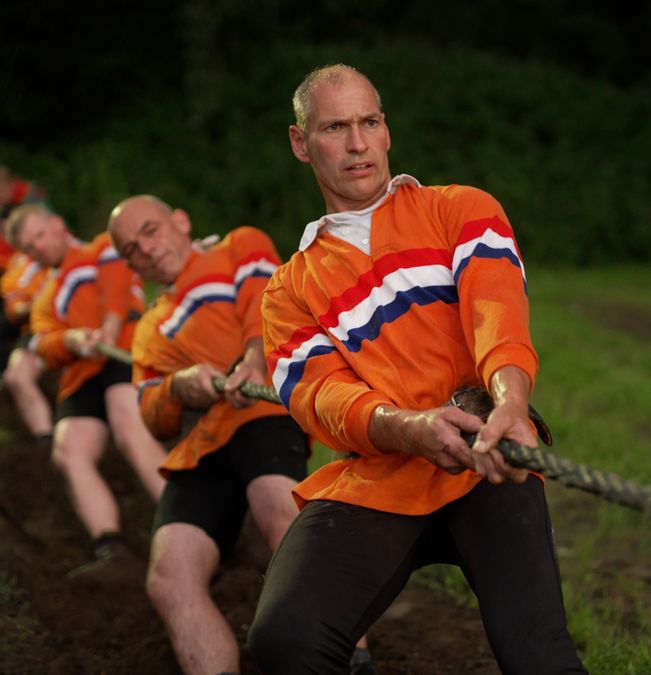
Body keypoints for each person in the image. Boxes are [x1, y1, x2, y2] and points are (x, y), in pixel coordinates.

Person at [249, 65, 586, 674]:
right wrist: (410, 428)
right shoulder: (287, 292)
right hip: (381, 477)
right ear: (301, 144)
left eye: (368, 122)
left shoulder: (459, 209)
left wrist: (509, 401)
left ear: (386, 130)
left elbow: (497, 317)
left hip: (489, 463)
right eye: (335, 128)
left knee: (539, 655)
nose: (357, 144)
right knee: (284, 638)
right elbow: (324, 400)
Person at [108, 195, 373, 675]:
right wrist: (179, 386)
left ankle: (351, 658)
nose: (143, 250)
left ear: (181, 220)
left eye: (149, 231)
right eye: (129, 249)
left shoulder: (237, 247)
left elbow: (267, 306)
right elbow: (152, 415)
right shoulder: (147, 329)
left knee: (279, 511)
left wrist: (253, 357)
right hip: (201, 447)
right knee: (168, 577)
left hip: (260, 413)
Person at [5, 202, 167, 573]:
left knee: (129, 427)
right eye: (30, 247)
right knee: (67, 450)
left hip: (124, 351)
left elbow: (117, 286)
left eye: (40, 235)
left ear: (58, 224)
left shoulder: (100, 248)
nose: (39, 247)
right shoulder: (43, 300)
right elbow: (44, 343)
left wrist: (108, 326)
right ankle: (108, 547)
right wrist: (72, 341)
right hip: (81, 374)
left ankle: (188, 521)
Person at [0, 165, 45, 382]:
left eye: (0, 188)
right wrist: (14, 267)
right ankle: (3, 344)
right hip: (12, 267)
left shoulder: (30, 196)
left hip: (32, 267)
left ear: (10, 183)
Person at [0, 243, 54, 441]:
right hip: (40, 330)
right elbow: (16, 308)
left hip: (84, 328)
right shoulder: (19, 269)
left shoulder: (80, 254)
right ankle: (45, 438)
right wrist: (37, 306)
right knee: (15, 376)